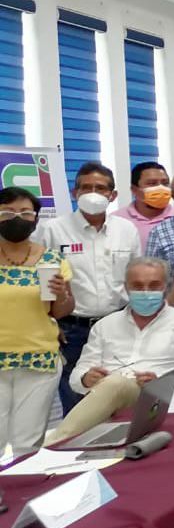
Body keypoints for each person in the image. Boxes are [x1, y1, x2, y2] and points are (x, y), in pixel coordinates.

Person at [54, 257, 174, 442]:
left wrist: (161, 382)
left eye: (154, 285)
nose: (145, 292)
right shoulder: (105, 325)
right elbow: (76, 377)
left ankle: (54, 444)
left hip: (154, 400)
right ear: (126, 287)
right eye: (137, 286)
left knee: (116, 383)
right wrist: (86, 378)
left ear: (166, 287)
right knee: (113, 384)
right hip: (106, 396)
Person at [36, 163, 140, 415]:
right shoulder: (52, 230)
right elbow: (41, 283)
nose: (93, 193)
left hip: (117, 326)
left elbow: (135, 278)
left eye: (100, 188)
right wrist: (49, 324)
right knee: (78, 407)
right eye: (86, 187)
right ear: (75, 193)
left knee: (122, 399)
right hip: (72, 330)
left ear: (112, 195)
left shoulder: (126, 230)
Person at [0, 187, 74, 455]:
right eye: (7, 212)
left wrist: (62, 294)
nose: (16, 218)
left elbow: (60, 311)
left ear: (36, 219)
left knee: (27, 442)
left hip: (38, 358)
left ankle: (25, 482)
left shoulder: (52, 259)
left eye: (25, 212)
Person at [112, 161, 174, 250]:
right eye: (152, 183)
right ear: (134, 189)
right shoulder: (116, 221)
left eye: (165, 183)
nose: (161, 188)